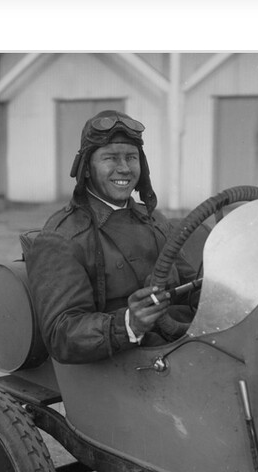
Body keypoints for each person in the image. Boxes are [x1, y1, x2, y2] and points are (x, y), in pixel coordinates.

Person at [25, 110, 198, 364]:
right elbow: (61, 335)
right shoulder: (62, 238)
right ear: (86, 168)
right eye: (110, 158)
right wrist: (129, 323)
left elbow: (191, 285)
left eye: (131, 157)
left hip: (179, 349)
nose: (124, 168)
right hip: (120, 367)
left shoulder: (155, 220)